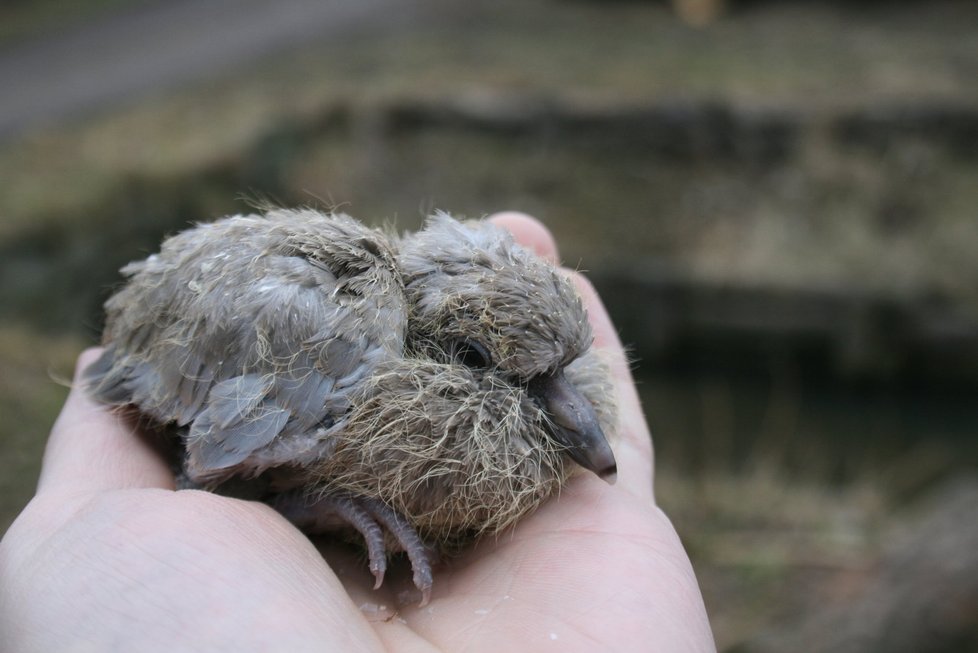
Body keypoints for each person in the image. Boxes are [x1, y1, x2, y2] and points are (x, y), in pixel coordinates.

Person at [0, 213, 716, 652]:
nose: (583, 429)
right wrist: (297, 503)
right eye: (479, 361)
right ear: (436, 344)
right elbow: (201, 468)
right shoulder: (341, 332)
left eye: (561, 372)